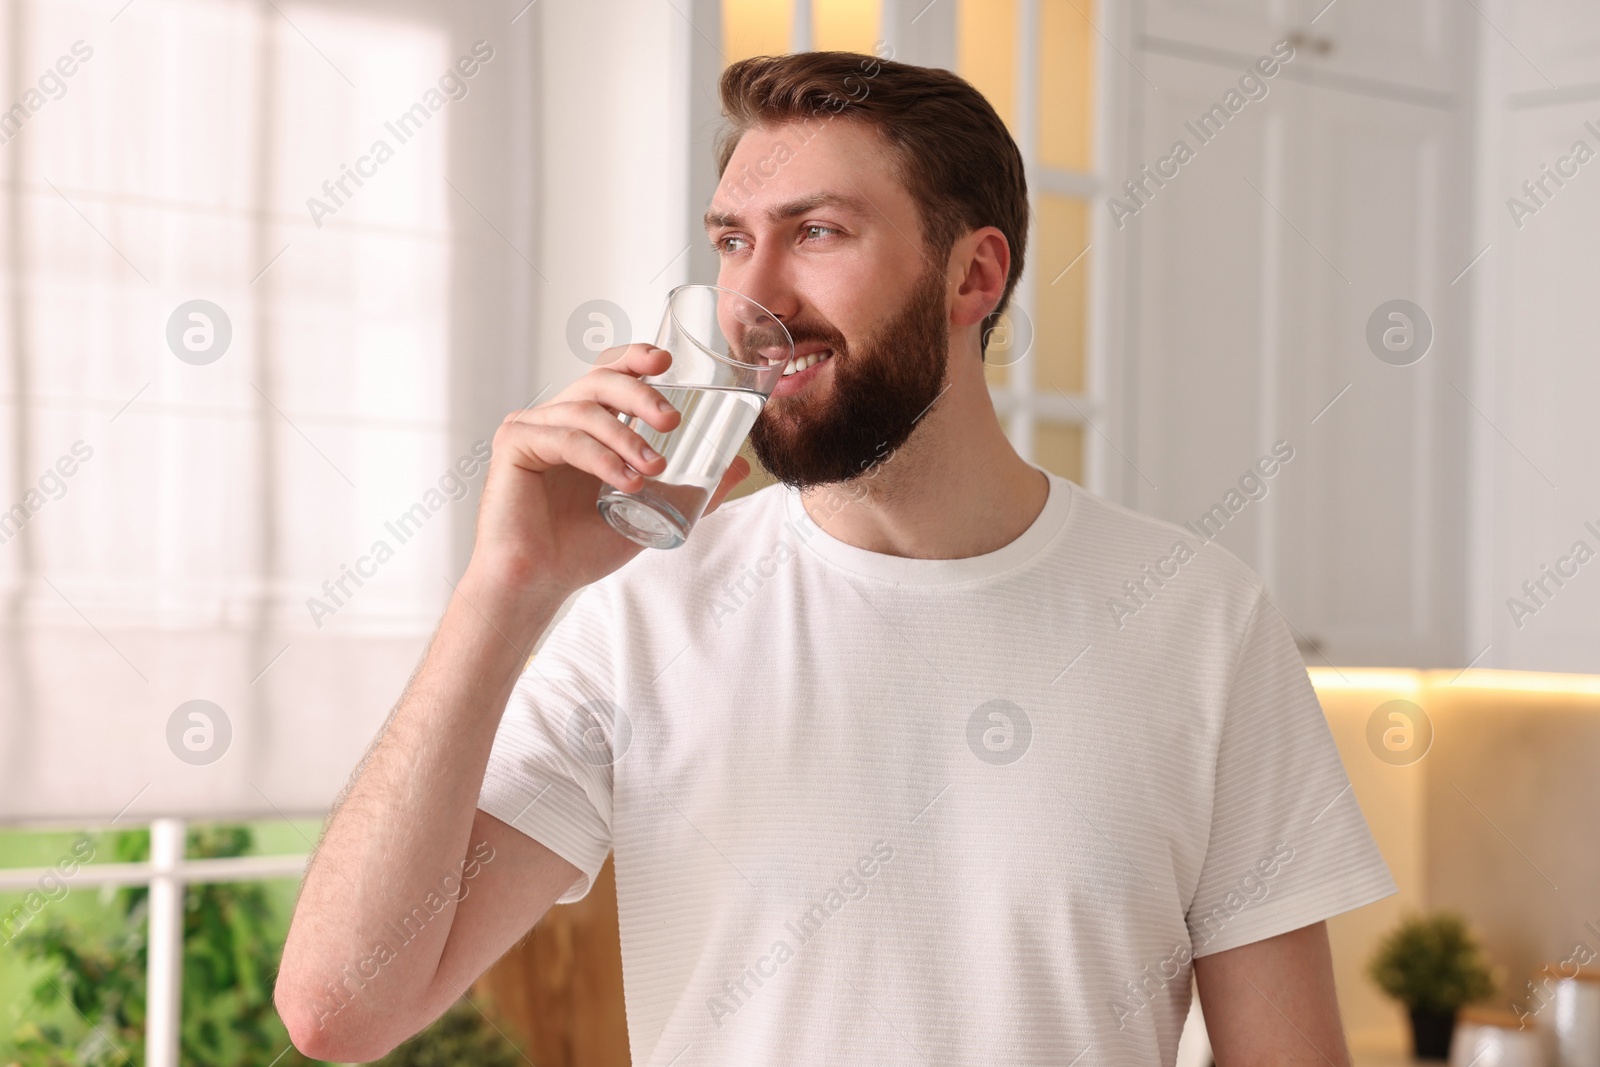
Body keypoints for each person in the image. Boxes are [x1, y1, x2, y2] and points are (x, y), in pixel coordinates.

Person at [276, 50, 1396, 1066]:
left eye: (815, 231)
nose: (753, 297)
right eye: (730, 240)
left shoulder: (1199, 622)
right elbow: (341, 1008)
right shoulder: (645, 612)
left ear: (972, 278)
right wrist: (504, 587)